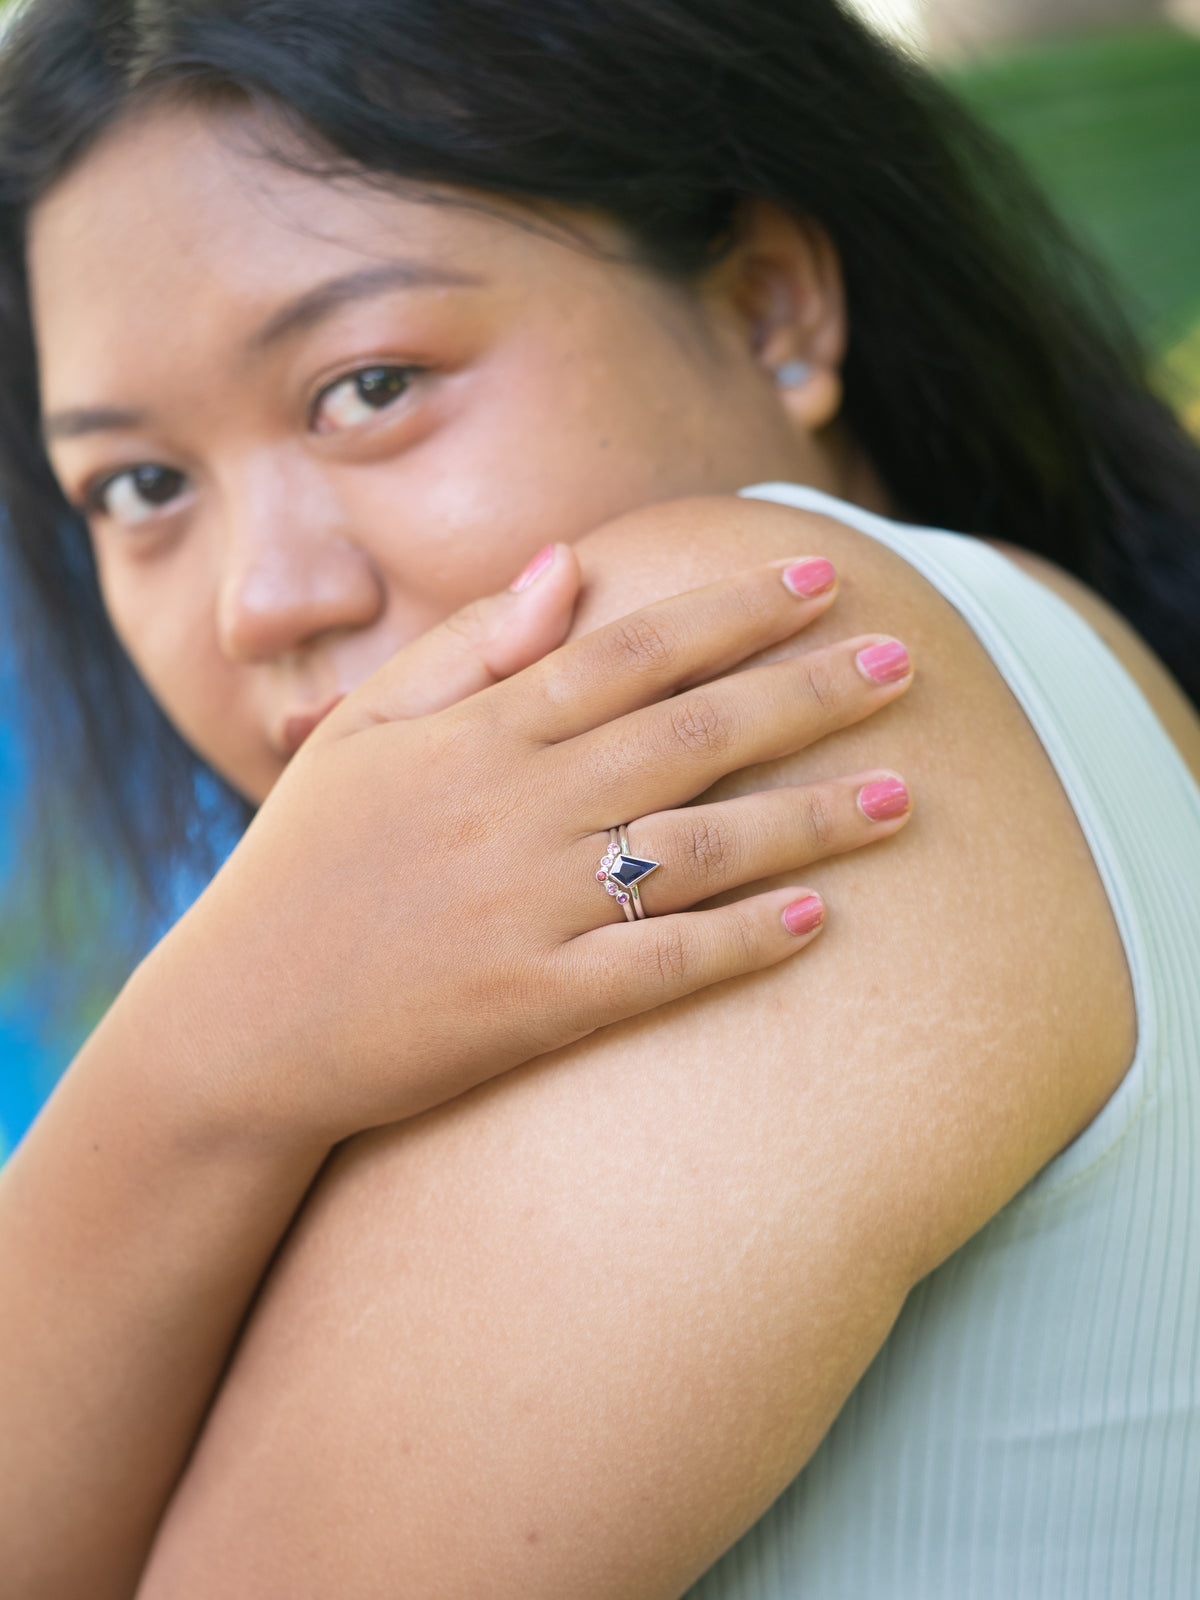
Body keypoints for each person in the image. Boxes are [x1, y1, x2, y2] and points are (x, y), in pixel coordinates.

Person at [0, 1, 1198, 1596]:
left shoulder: (757, 663)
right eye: (140, 486)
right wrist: (215, 1047)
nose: (257, 601)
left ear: (771, 303)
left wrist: (211, 1048)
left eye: (369, 385)